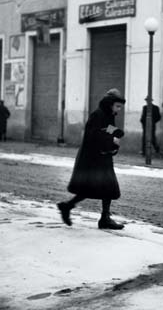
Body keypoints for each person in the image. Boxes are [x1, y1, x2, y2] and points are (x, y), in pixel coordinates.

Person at [57, 88, 126, 230]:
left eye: (120, 107)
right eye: (117, 106)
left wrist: (116, 133)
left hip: (101, 157)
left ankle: (71, 207)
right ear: (109, 104)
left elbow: (107, 129)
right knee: (96, 187)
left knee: (103, 187)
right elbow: (93, 136)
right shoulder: (97, 115)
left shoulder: (108, 115)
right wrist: (112, 139)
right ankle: (101, 217)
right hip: (92, 158)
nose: (119, 110)